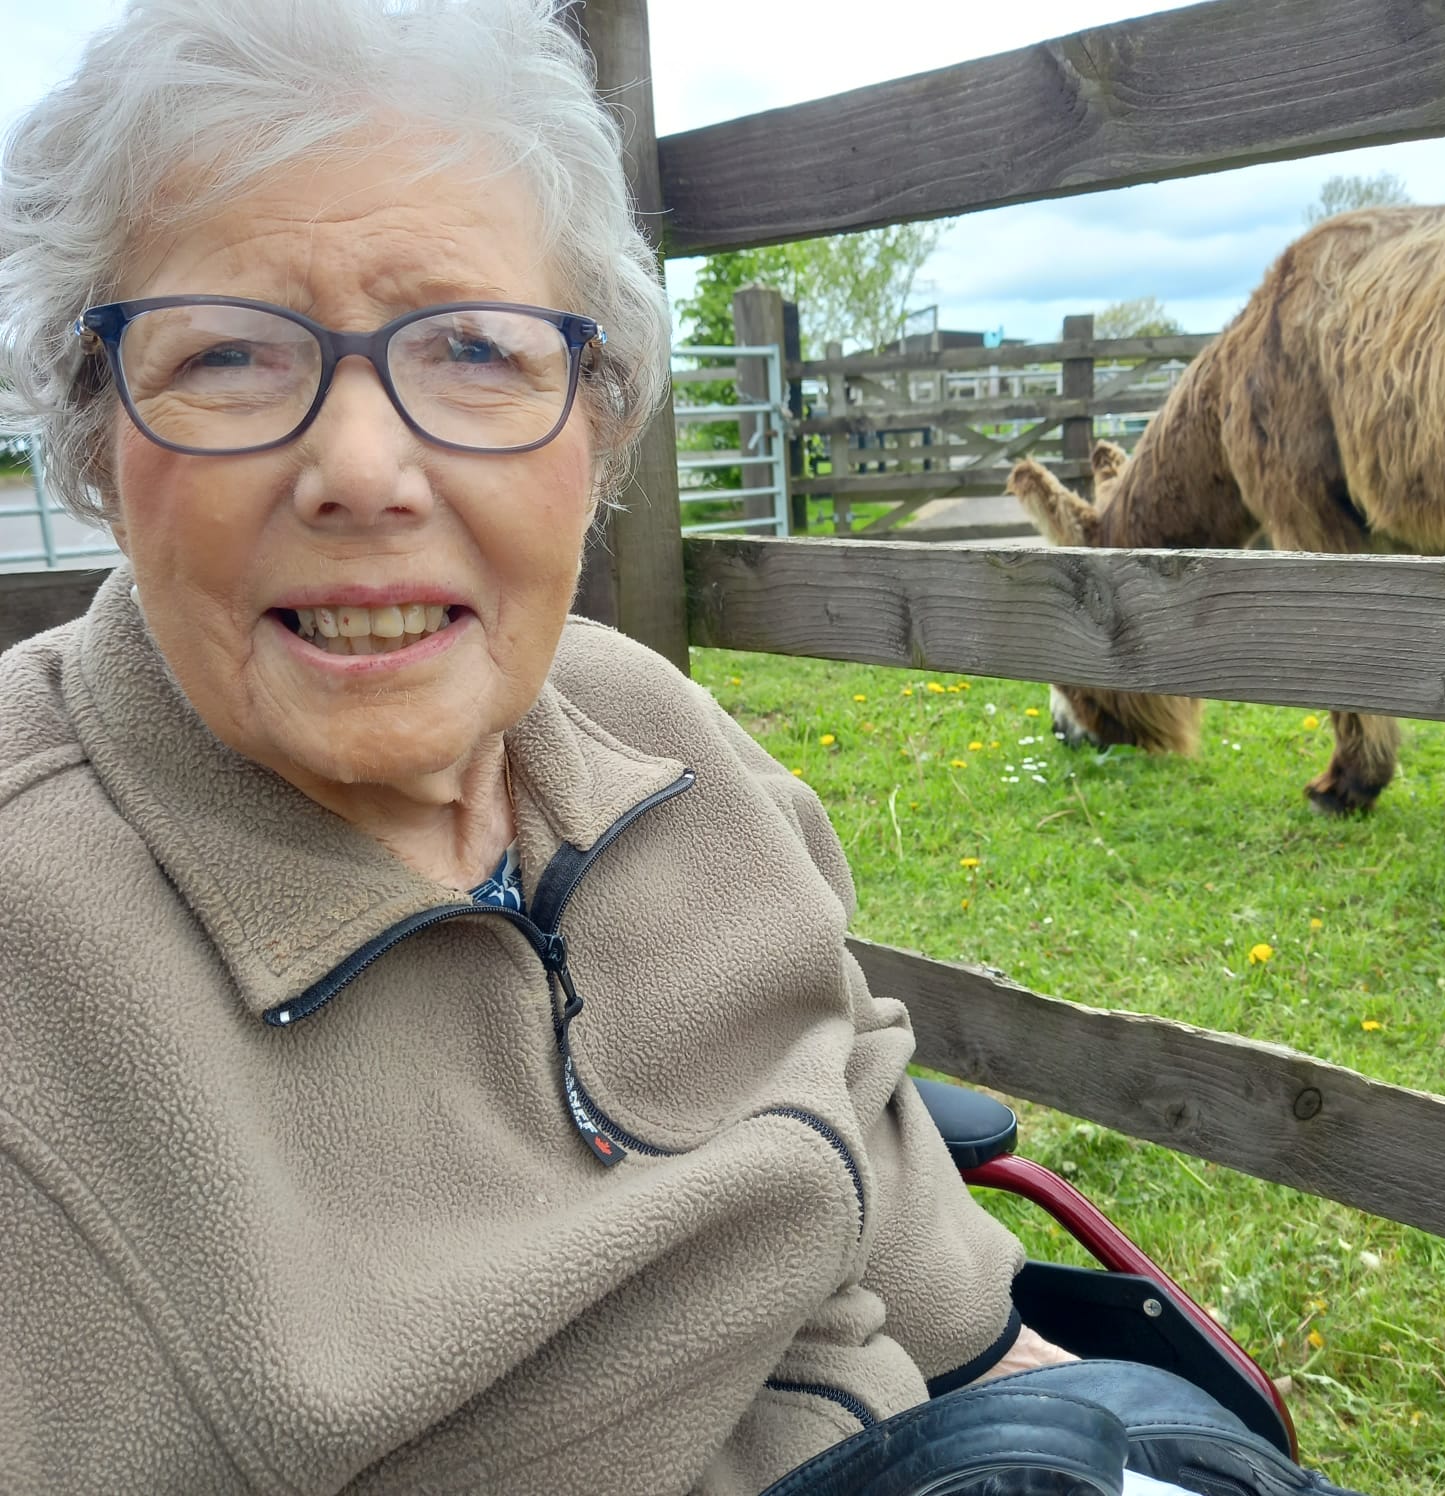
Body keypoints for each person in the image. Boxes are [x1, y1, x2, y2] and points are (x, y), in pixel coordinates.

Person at [0, 5, 1369, 1495]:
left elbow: (870, 1142)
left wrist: (1061, 1393)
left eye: (473, 346)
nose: (362, 471)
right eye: (231, 358)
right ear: (93, 441)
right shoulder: (36, 946)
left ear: (595, 426)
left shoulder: (651, 727)